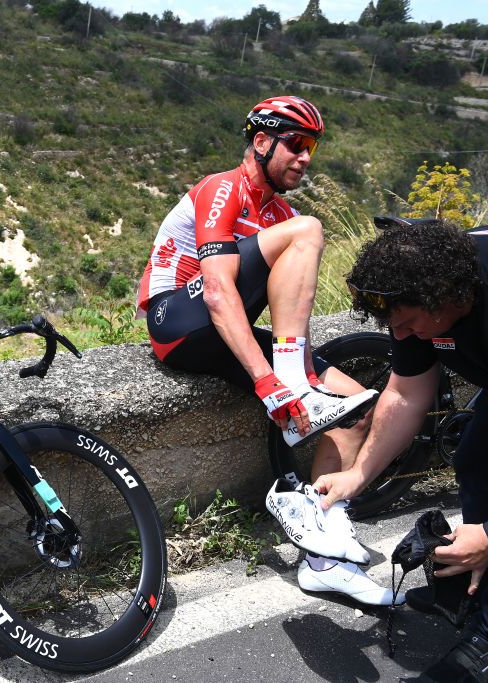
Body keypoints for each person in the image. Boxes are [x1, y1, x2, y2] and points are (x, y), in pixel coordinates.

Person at [135, 95, 391, 605]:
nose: (306, 157)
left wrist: (309, 380)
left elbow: (290, 311)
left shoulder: (280, 215)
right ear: (261, 140)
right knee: (308, 228)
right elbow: (216, 292)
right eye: (296, 144)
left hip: (227, 334)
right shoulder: (222, 188)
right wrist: (268, 379)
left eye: (312, 147)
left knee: (355, 408)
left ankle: (324, 557)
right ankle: (294, 382)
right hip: (176, 321)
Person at [315, 220, 488, 681]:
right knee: (474, 453)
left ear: (448, 297)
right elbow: (407, 394)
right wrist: (358, 476)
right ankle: (472, 588)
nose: (401, 332)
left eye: (408, 321)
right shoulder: (416, 297)